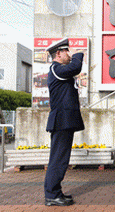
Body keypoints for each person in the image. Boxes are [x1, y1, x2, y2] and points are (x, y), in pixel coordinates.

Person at [44, 38, 85, 206]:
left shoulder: (60, 70)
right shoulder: (56, 69)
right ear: (58, 54)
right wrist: (79, 54)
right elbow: (75, 67)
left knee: (61, 159)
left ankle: (55, 192)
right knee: (58, 159)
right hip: (61, 121)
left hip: (64, 121)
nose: (69, 54)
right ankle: (52, 195)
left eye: (70, 51)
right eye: (66, 51)